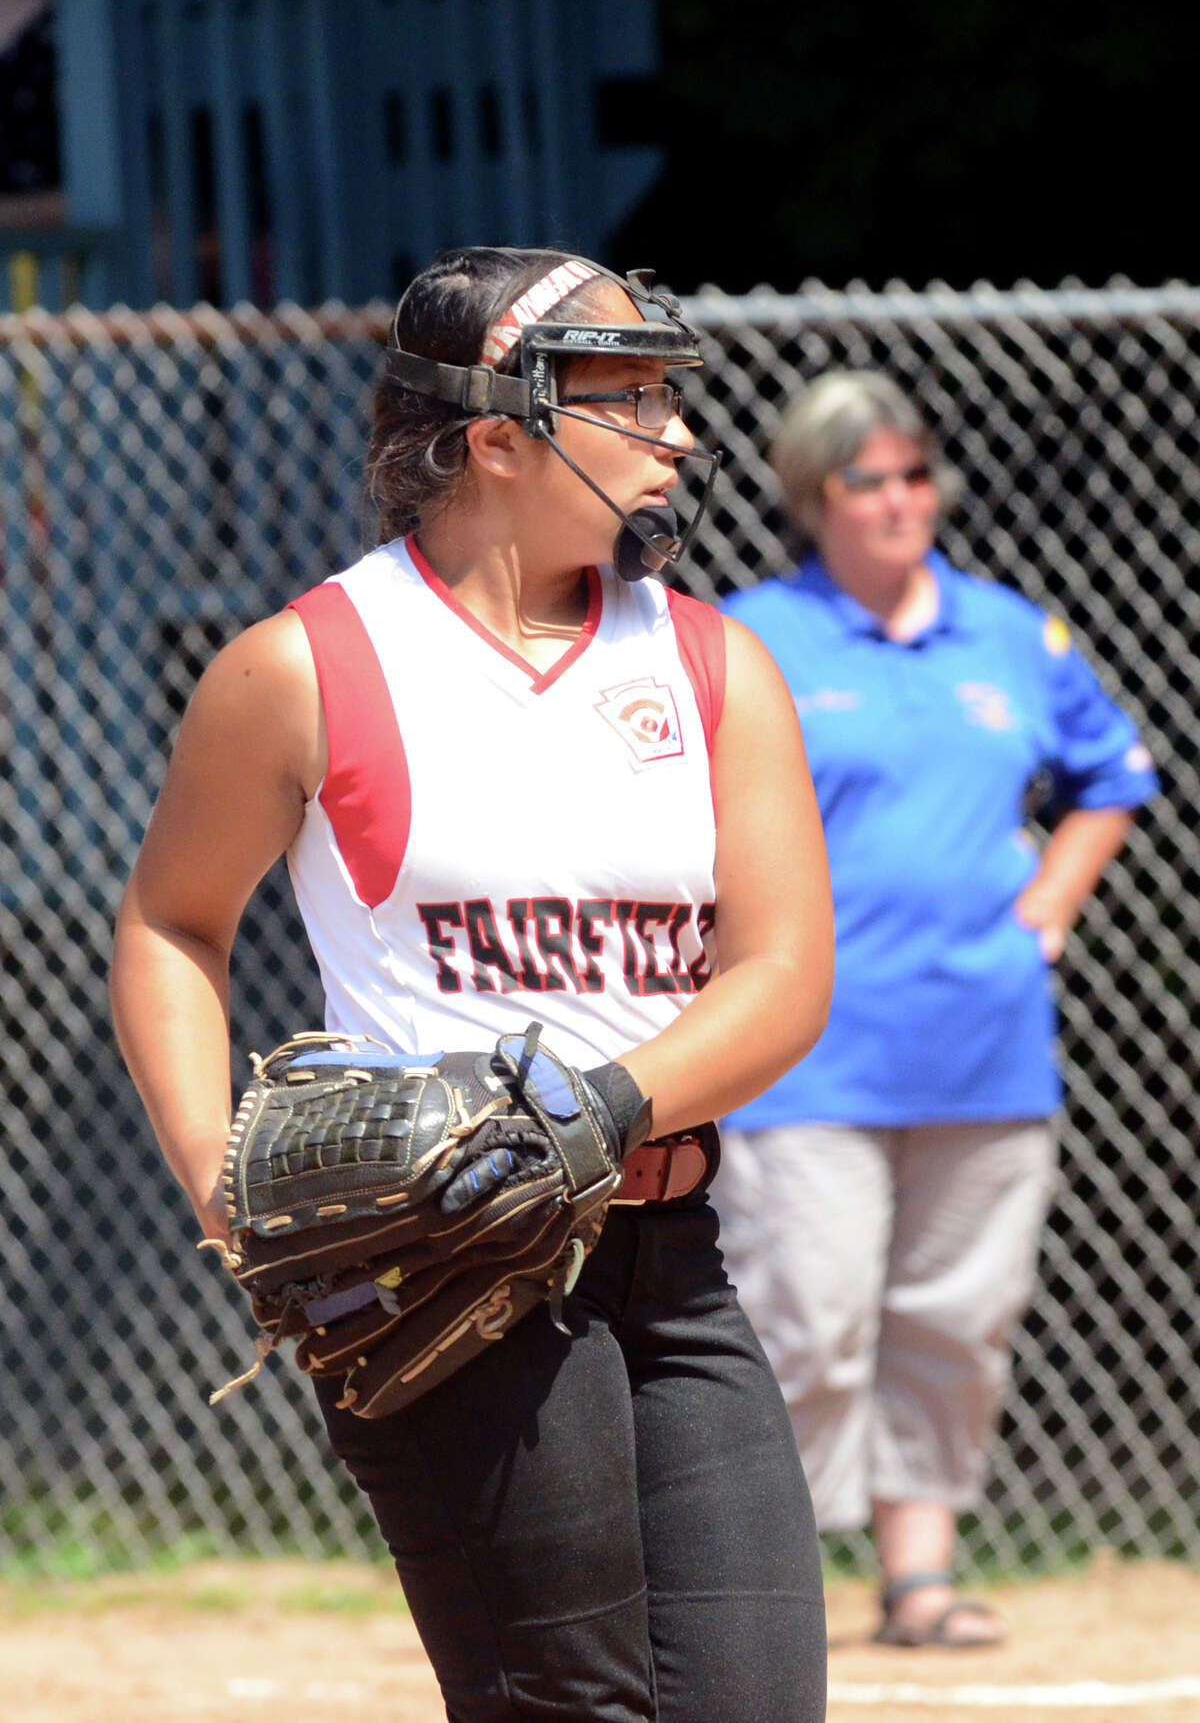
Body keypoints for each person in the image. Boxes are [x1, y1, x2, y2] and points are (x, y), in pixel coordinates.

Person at [109, 246, 836, 1723]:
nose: (678, 434)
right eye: (626, 398)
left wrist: (605, 1103)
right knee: (572, 1706)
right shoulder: (312, 664)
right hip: (447, 1272)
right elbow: (171, 924)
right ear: (497, 435)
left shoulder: (709, 664)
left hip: (668, 1258)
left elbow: (784, 974)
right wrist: (217, 1182)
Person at [711, 369, 1157, 1650]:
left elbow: (1113, 772)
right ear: (813, 499)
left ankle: (920, 1575)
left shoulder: (1011, 632)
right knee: (811, 1311)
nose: (903, 500)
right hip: (808, 1049)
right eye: (870, 480)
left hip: (984, 1042)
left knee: (958, 1314)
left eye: (917, 474)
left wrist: (1052, 903)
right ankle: (758, 1587)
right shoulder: (753, 639)